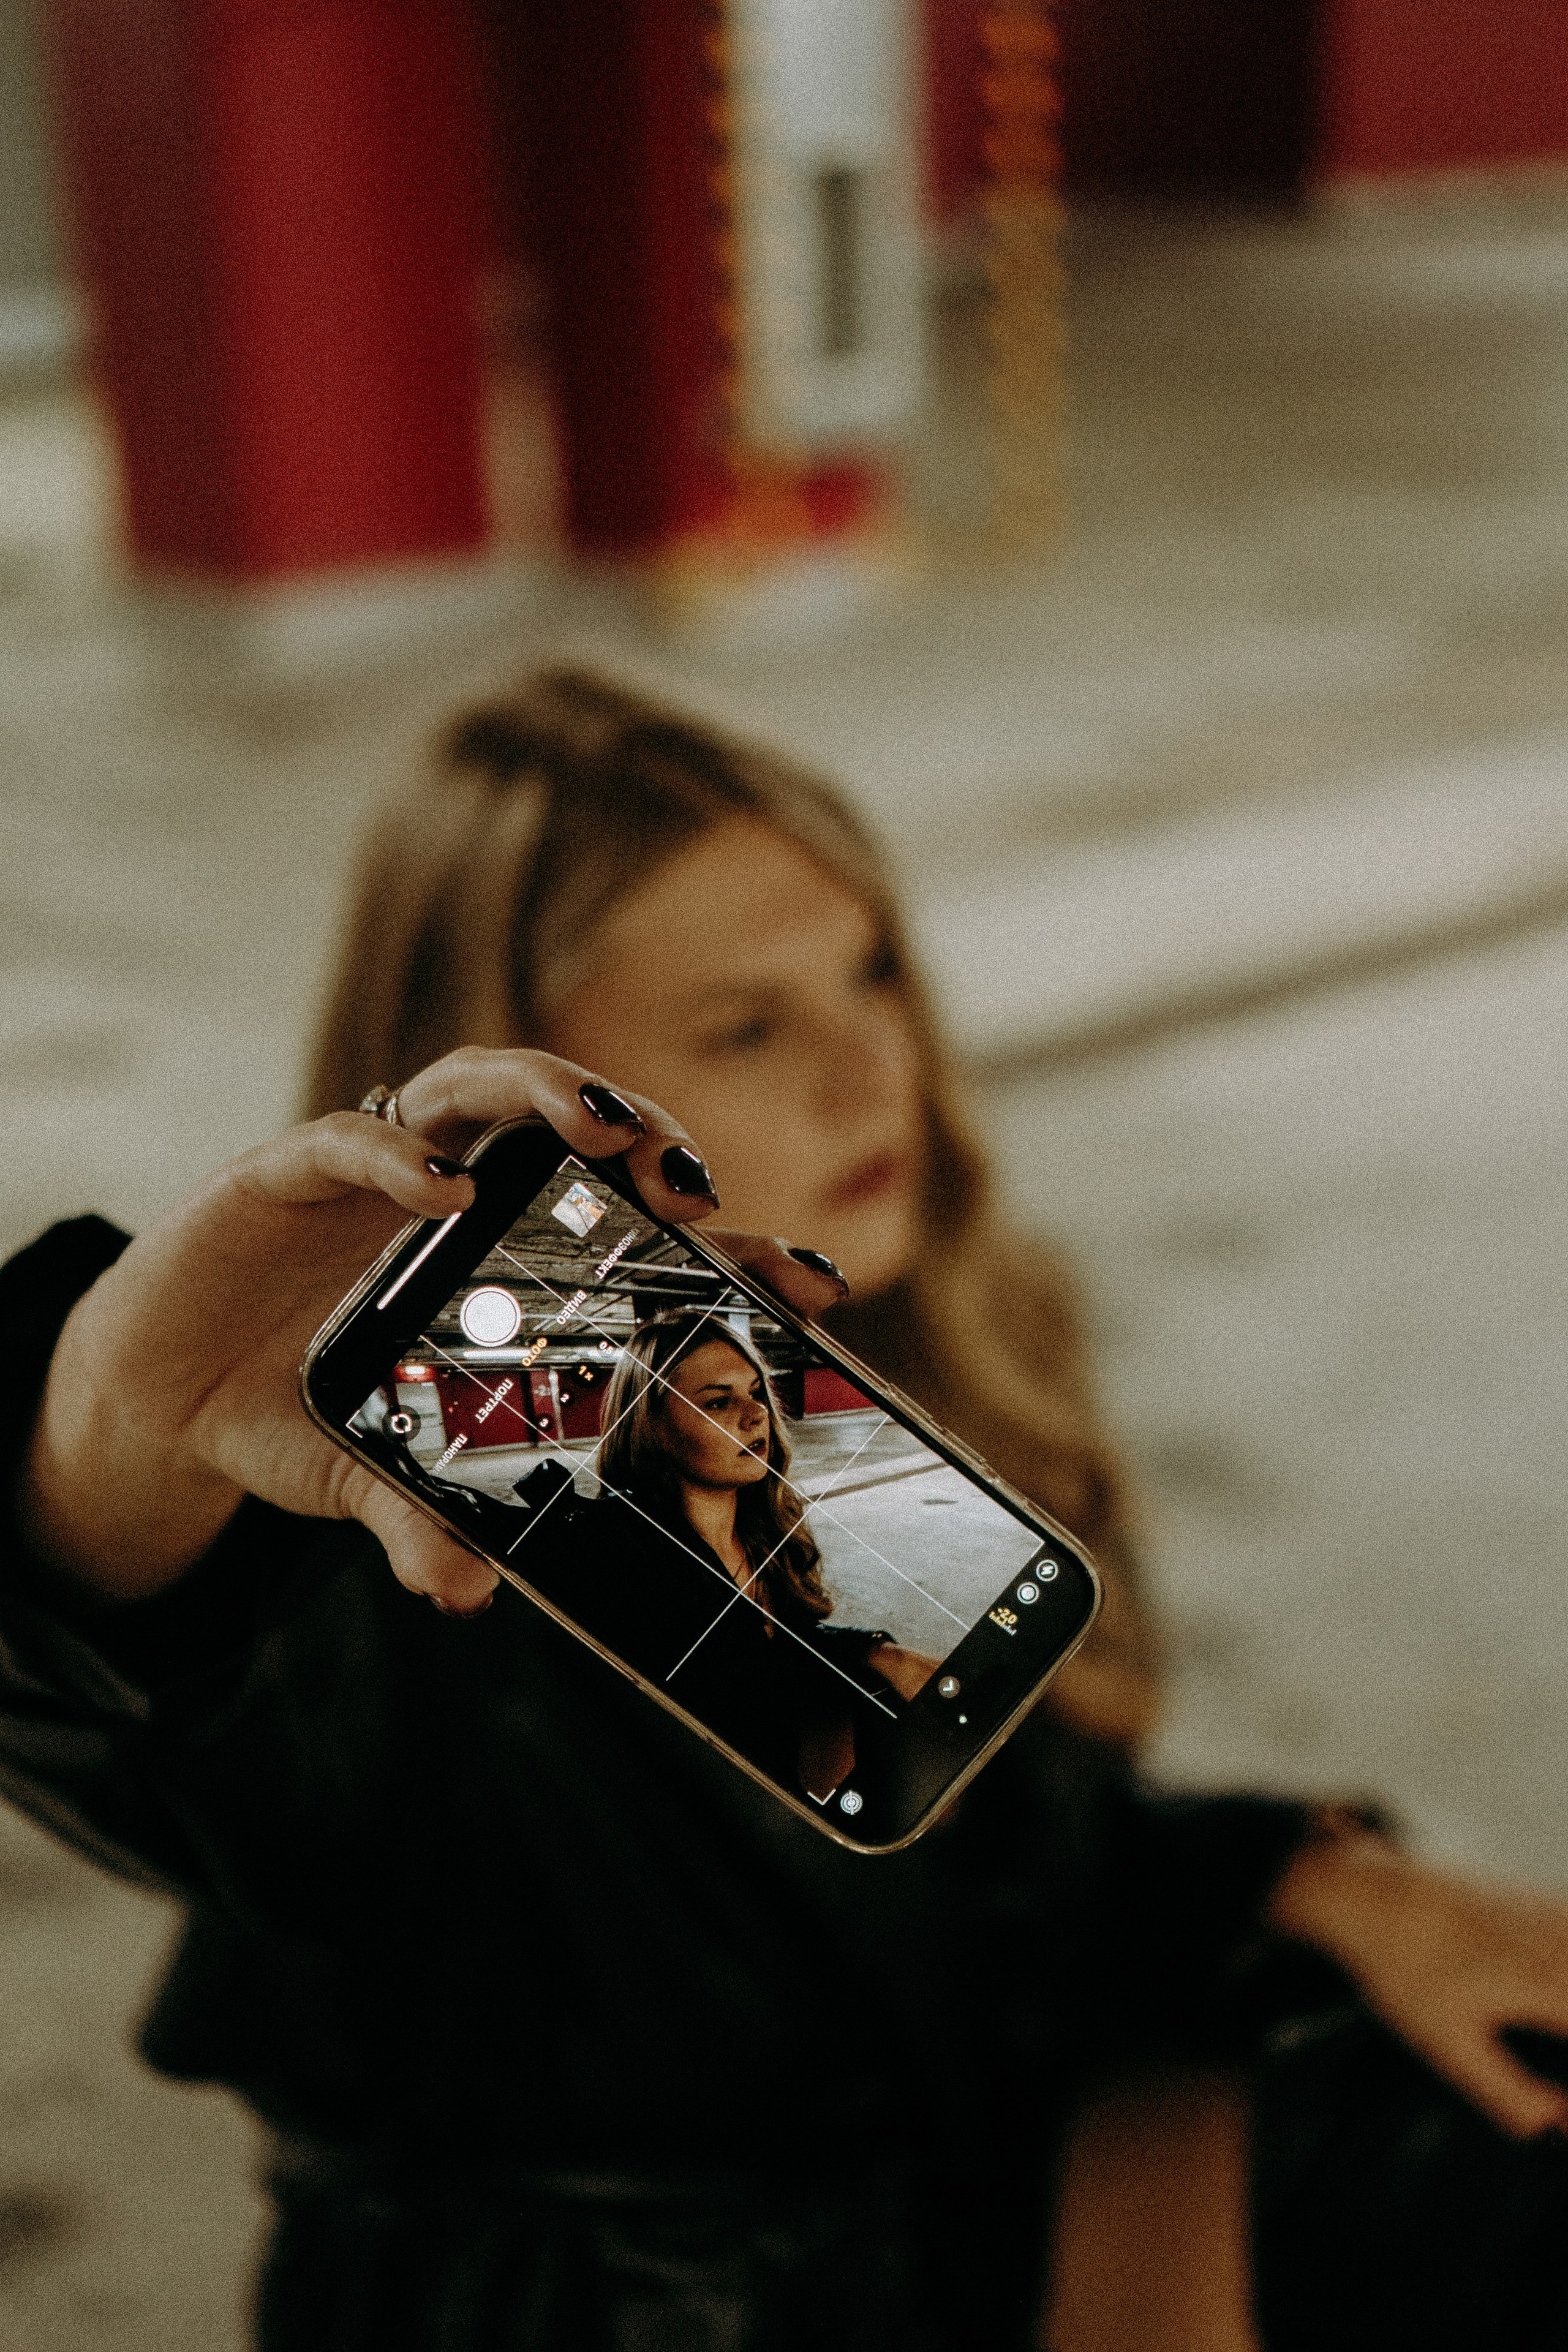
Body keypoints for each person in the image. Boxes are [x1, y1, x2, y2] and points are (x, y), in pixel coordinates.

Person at [4, 673, 1568, 2349]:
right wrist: (98, 1438)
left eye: (871, 968)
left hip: (973, 2188)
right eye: (746, 1027)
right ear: (538, 1096)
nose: (868, 1069)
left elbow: (984, 1849)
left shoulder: (912, 1348)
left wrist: (1299, 1877)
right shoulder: (390, 1539)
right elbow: (143, 1678)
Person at [509, 1310, 937, 1798]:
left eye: (756, 1392)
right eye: (718, 1402)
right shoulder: (617, 1549)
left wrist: (880, 1653)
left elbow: (777, 1646)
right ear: (654, 1428)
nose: (756, 1415)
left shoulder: (767, 1526)